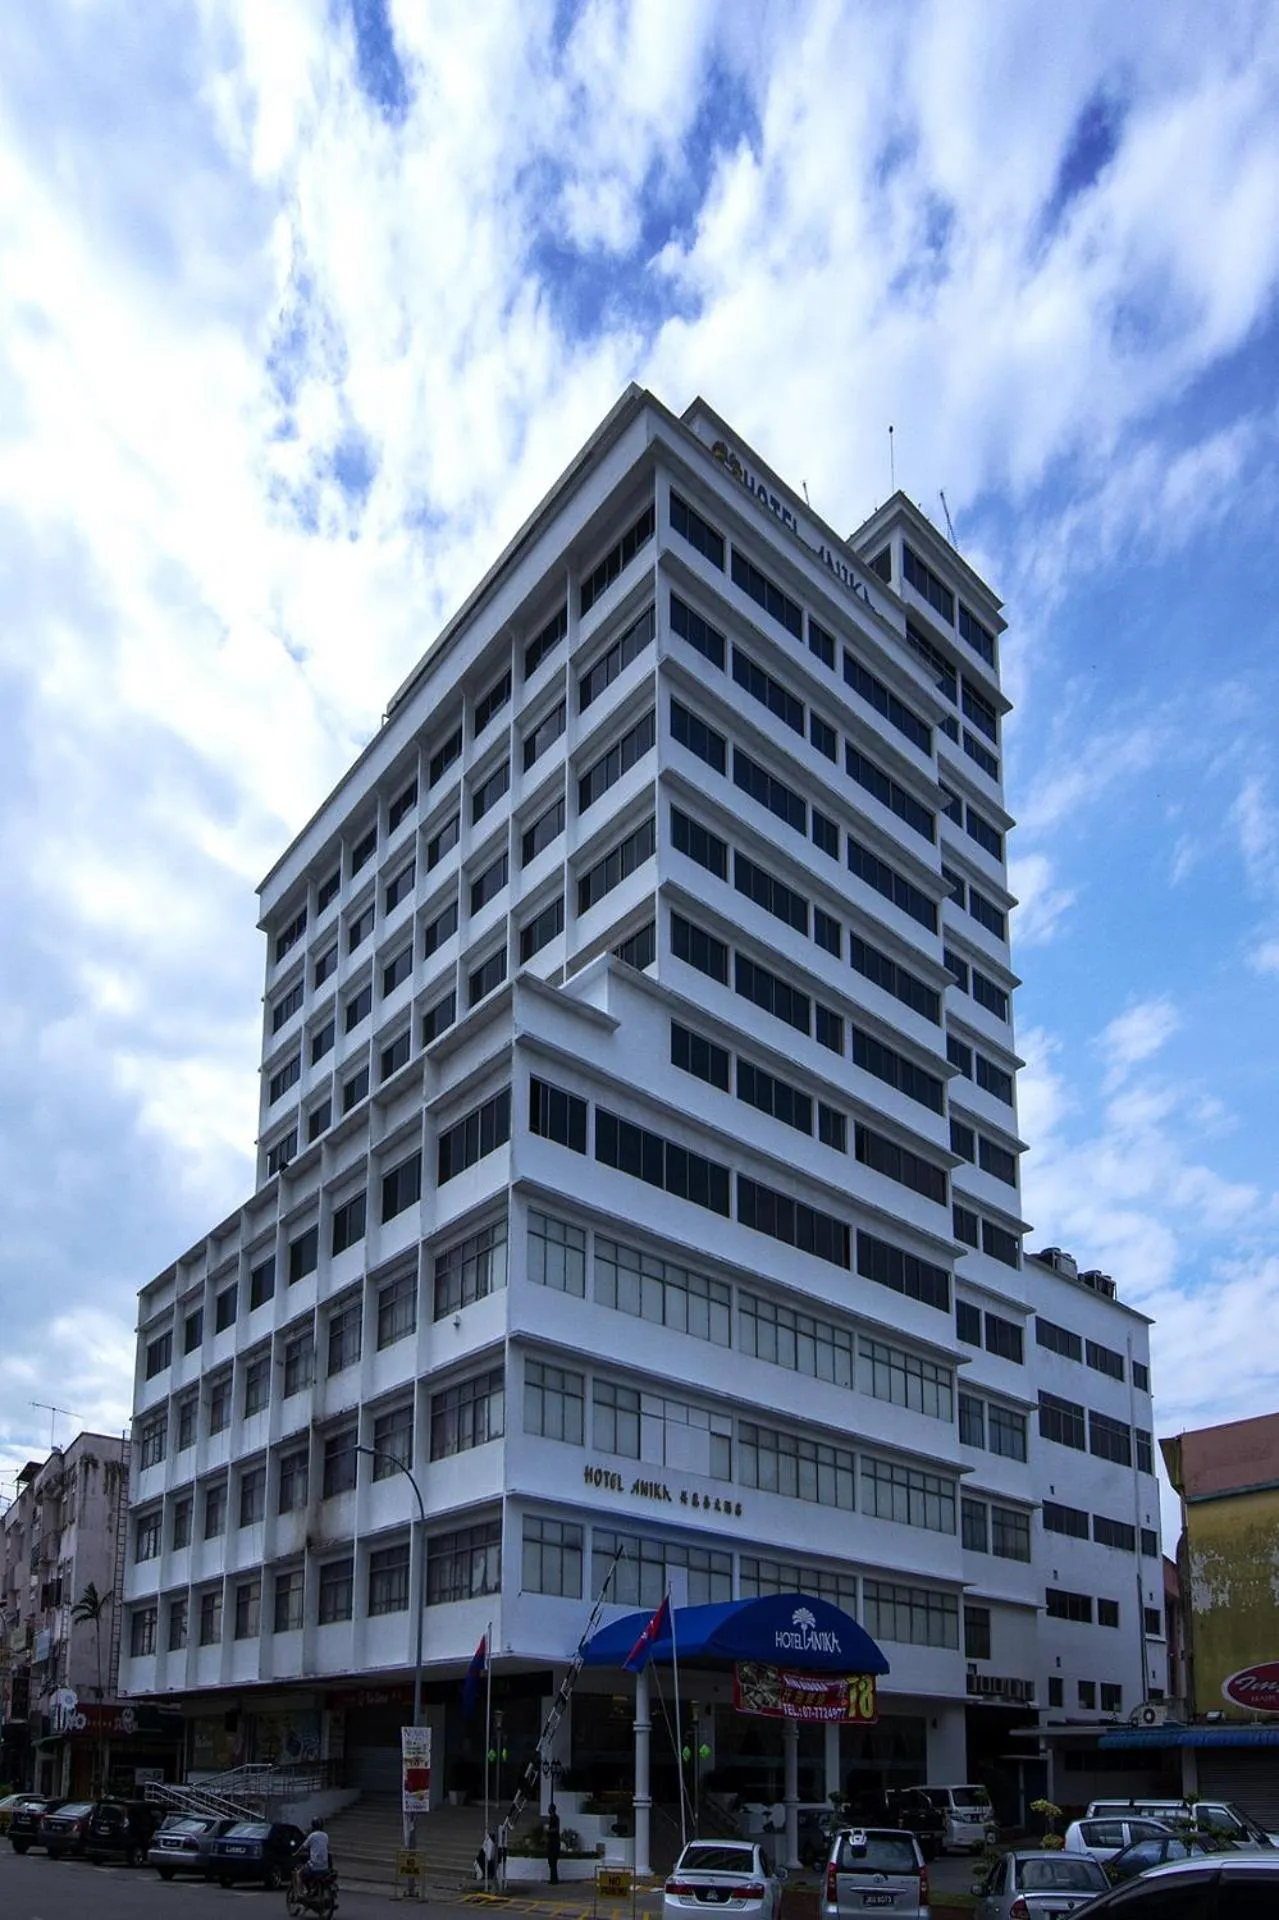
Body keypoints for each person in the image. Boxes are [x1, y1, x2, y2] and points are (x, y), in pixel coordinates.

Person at [295, 1817, 333, 1894]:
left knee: (299, 1873)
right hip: (325, 1867)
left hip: (314, 1867)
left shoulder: (312, 1836)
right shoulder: (325, 1836)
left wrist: (296, 1853)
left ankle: (303, 1892)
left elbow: (303, 1847)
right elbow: (327, 1848)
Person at [545, 1802, 561, 1885]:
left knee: (553, 1862)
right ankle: (553, 1879)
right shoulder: (551, 1818)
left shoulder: (555, 1818)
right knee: (551, 1862)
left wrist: (548, 1830)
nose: (548, 1809)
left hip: (554, 1842)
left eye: (549, 1808)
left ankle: (554, 1880)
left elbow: (556, 1829)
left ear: (551, 1809)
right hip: (551, 1842)